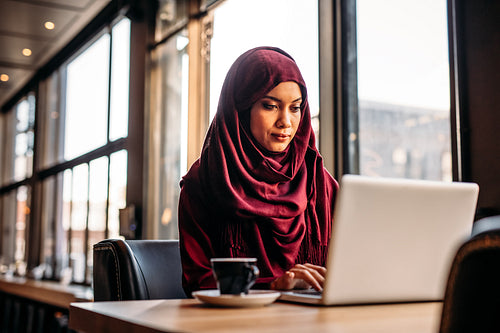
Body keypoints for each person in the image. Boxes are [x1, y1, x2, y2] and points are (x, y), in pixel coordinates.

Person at [178, 46, 338, 296]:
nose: (285, 121)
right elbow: (199, 282)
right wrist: (274, 287)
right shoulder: (206, 180)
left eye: (295, 108)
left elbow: (352, 268)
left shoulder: (319, 182)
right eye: (270, 106)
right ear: (240, 110)